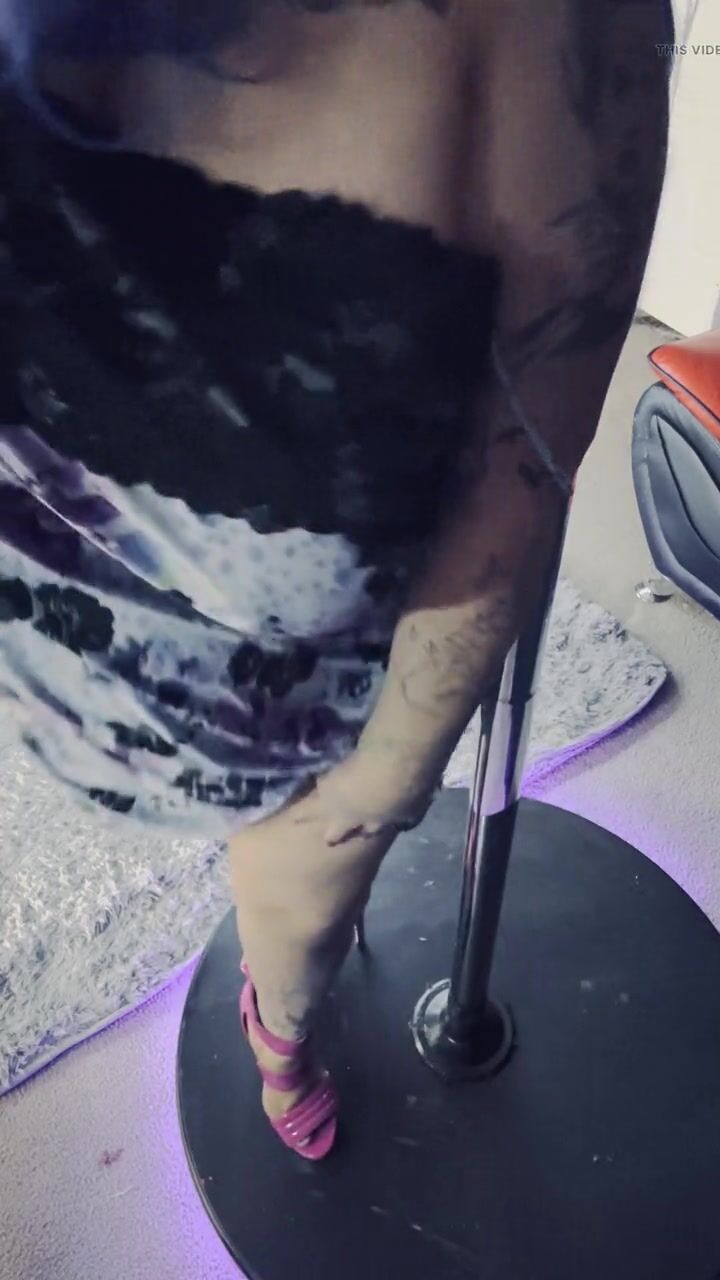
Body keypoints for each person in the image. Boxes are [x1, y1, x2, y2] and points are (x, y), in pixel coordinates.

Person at [0, 0, 672, 1158]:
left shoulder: (537, 48)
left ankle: (282, 1022)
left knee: (304, 885)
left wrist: (384, 783)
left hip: (280, 672)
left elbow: (517, 478)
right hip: (51, 586)